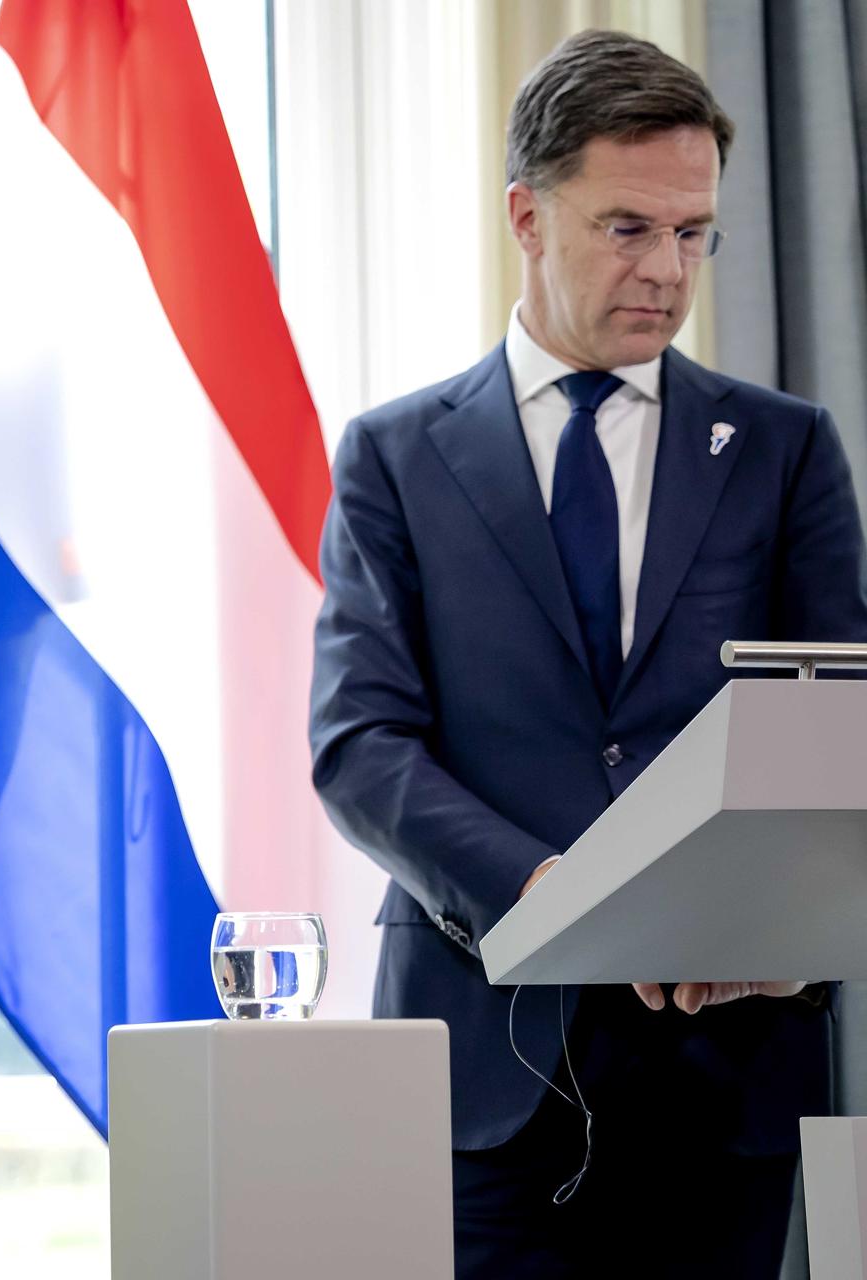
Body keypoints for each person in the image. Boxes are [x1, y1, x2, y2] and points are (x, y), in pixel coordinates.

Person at [310, 30, 867, 1278]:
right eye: (628, 227)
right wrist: (552, 896)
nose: (668, 270)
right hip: (482, 1069)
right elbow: (360, 743)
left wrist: (769, 927)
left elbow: (839, 733)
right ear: (526, 213)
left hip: (731, 1075)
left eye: (693, 233)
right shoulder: (394, 458)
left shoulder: (785, 451)